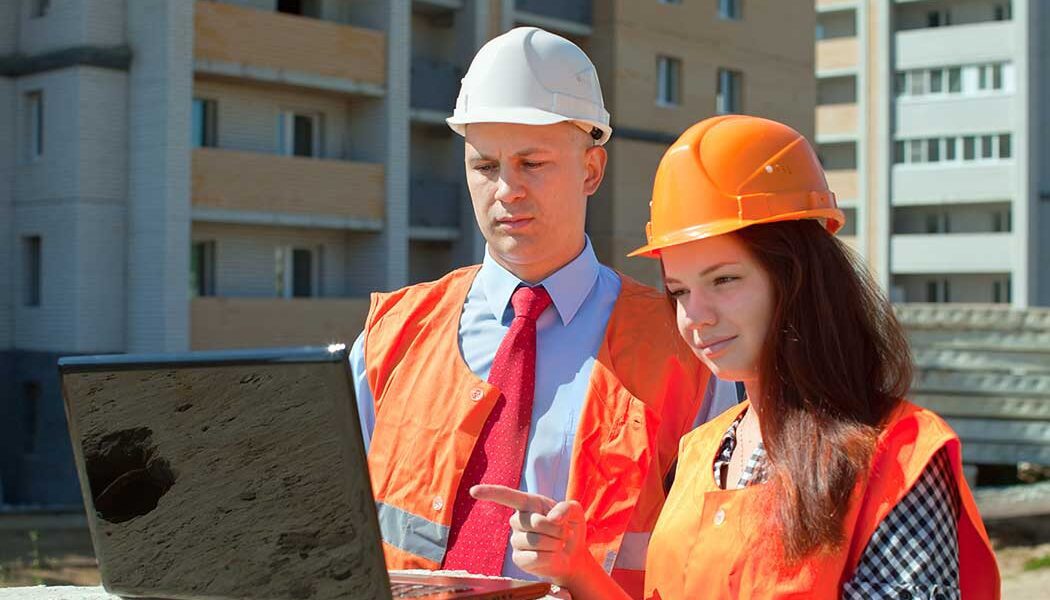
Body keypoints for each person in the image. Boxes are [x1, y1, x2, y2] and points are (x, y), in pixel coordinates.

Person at [473, 115, 1001, 599]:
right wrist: (578, 569)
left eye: (724, 280)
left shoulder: (899, 457)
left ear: (798, 280)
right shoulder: (704, 451)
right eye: (679, 291)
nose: (694, 315)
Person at [348, 27, 730, 597]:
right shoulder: (393, 335)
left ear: (592, 171)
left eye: (533, 163)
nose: (506, 189)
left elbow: (714, 563)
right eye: (486, 166)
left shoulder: (687, 347)